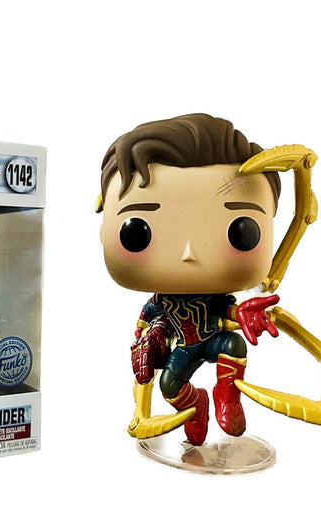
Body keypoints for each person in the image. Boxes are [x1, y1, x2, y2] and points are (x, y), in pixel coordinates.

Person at [97, 114, 280, 445]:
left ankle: (227, 394)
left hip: (213, 339)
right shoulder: (158, 303)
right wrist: (147, 340)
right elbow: (144, 325)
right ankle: (196, 406)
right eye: (137, 232)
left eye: (242, 231)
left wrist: (241, 313)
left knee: (234, 345)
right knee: (169, 385)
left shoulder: (213, 297)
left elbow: (226, 308)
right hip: (183, 347)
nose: (188, 253)